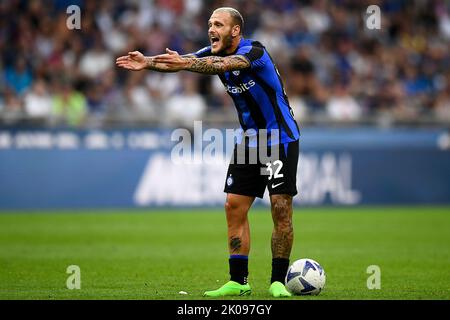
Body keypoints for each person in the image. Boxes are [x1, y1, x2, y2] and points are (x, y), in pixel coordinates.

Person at [116, 7, 300, 298]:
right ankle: (238, 281)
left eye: (218, 24)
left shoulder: (255, 52)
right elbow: (180, 62)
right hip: (250, 141)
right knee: (233, 207)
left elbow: (219, 65)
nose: (211, 29)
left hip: (279, 139)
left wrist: (187, 63)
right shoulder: (212, 51)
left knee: (280, 207)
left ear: (235, 30)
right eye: (210, 24)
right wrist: (147, 62)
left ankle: (278, 280)